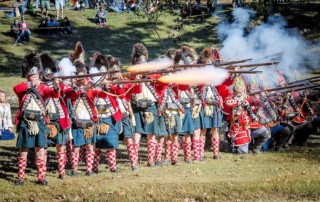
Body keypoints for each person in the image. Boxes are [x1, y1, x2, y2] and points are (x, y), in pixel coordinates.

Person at [14, 55, 61, 186]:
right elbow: (16, 89)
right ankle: (20, 178)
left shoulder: (43, 88)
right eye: (32, 76)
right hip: (26, 122)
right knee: (24, 150)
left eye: (36, 76)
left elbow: (54, 94)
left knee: (40, 150)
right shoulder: (23, 87)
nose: (35, 78)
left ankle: (41, 177)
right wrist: (30, 84)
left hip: (40, 122)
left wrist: (57, 86)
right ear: (28, 77)